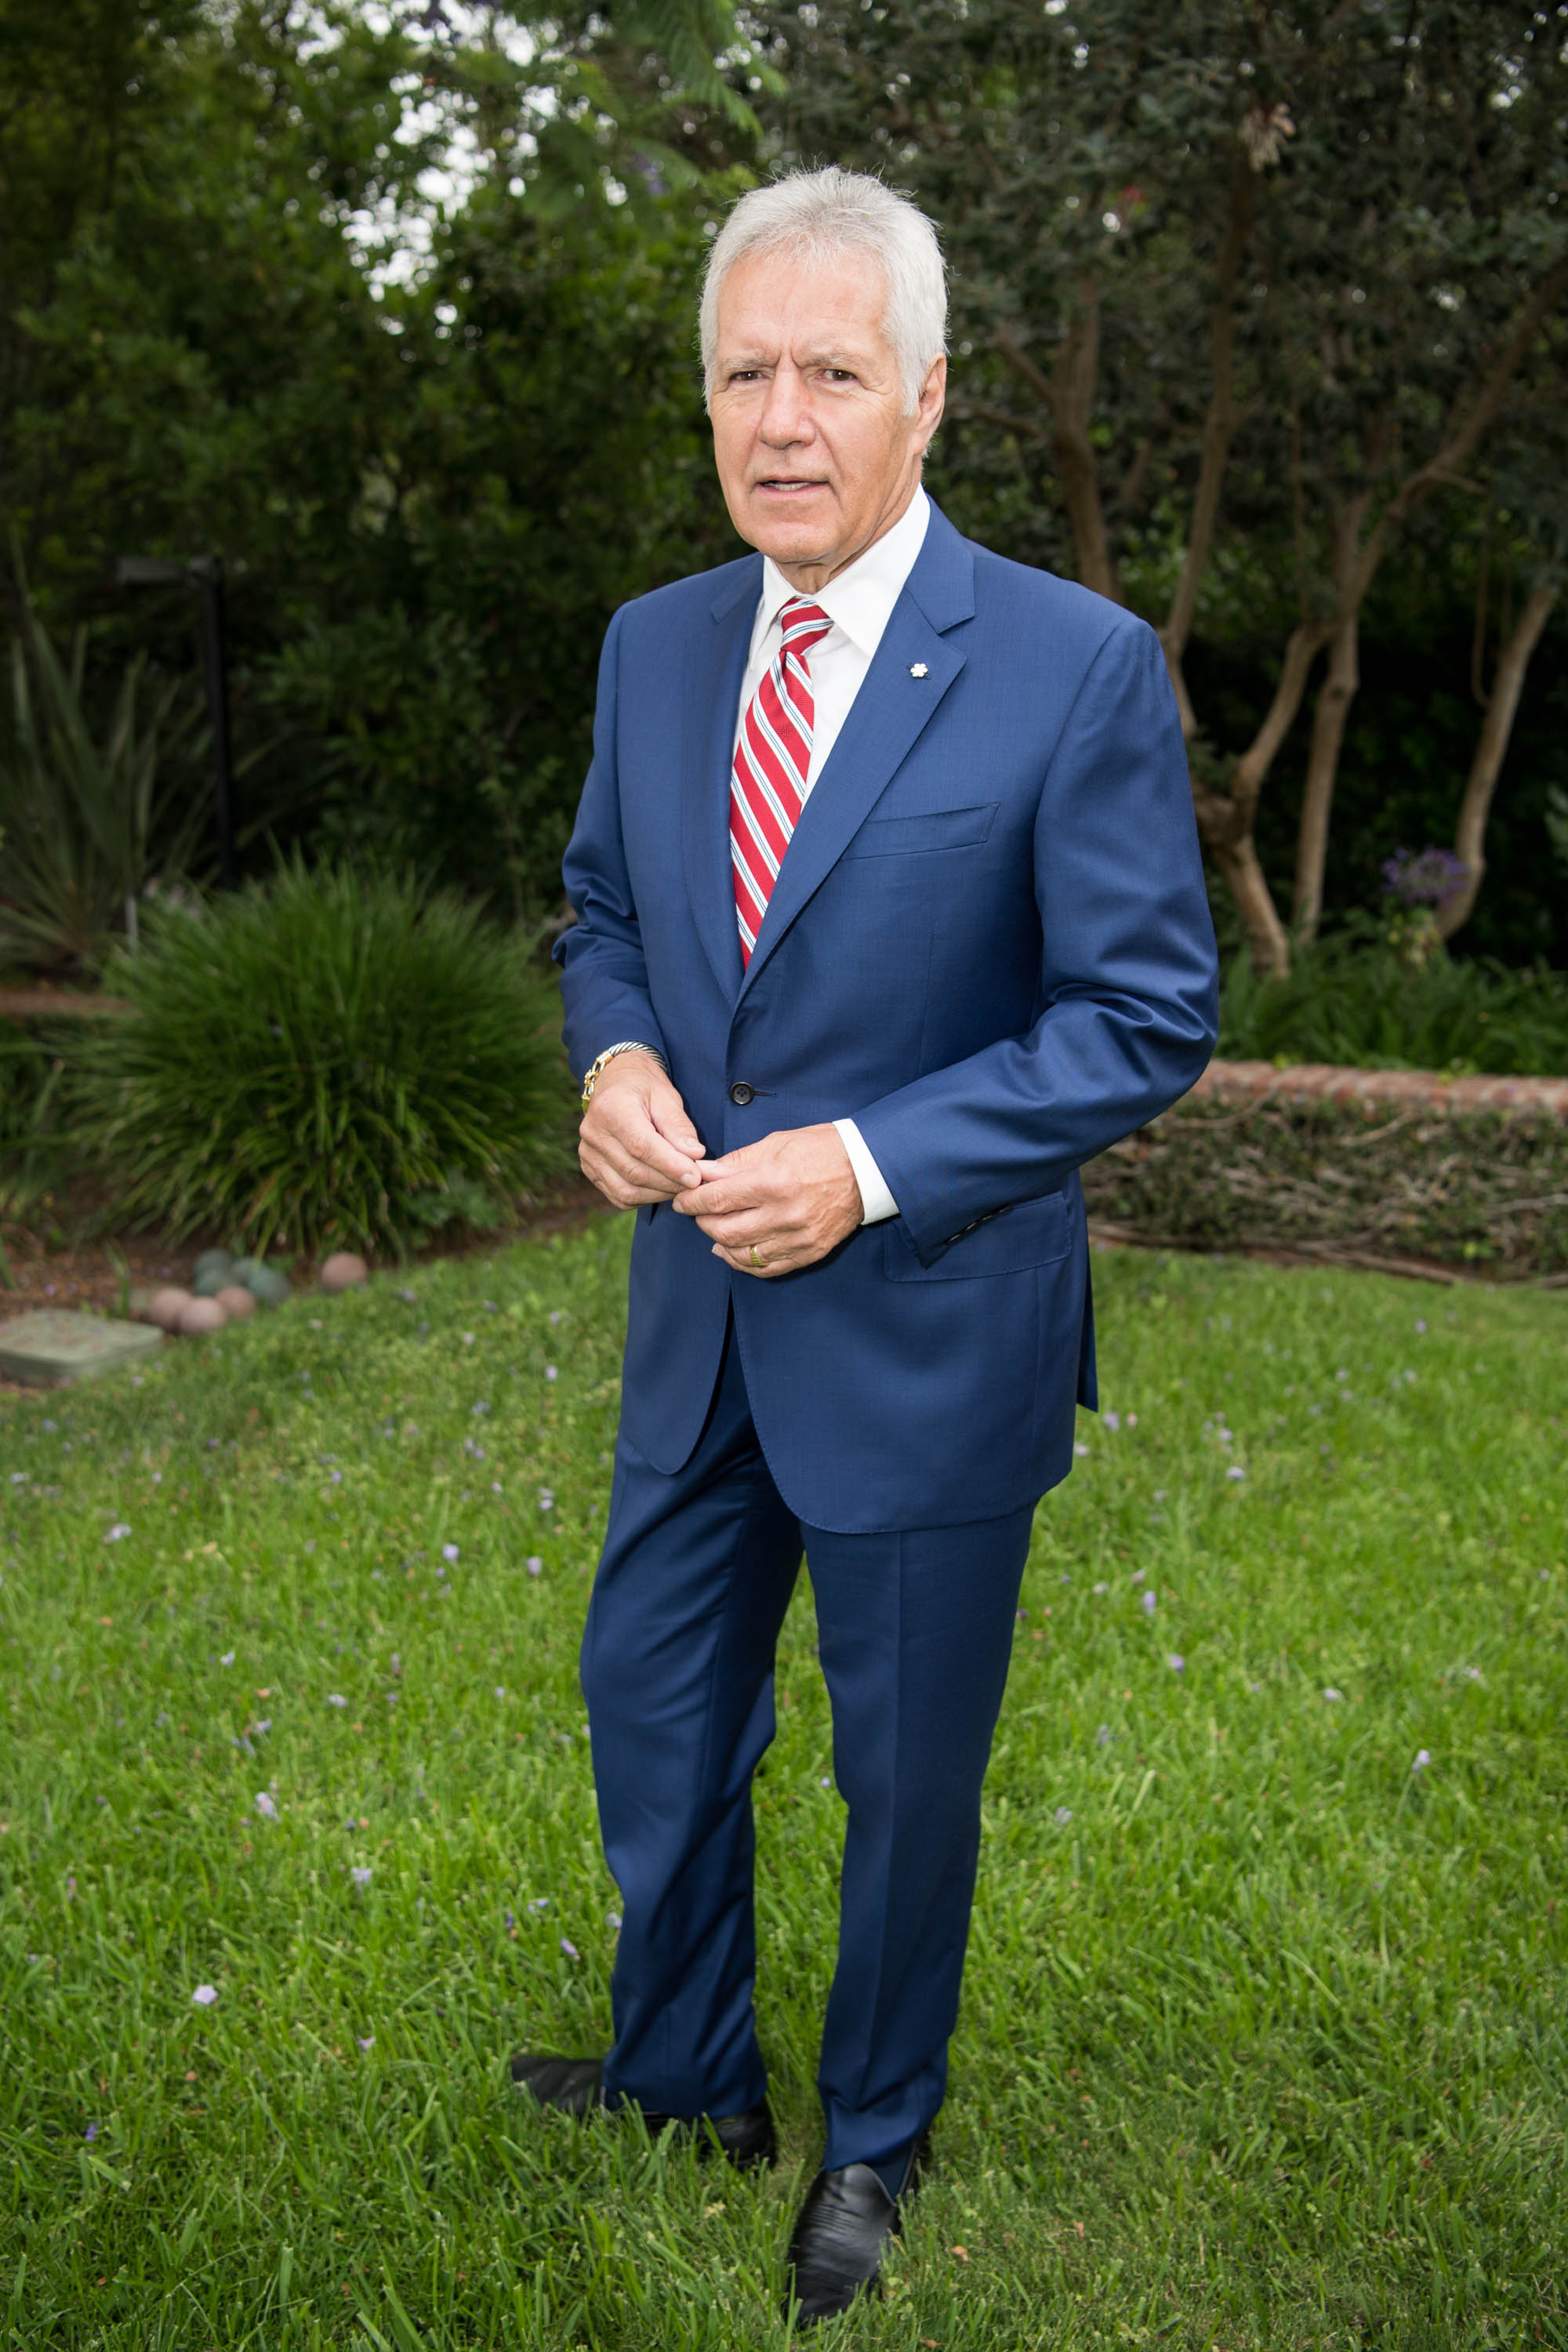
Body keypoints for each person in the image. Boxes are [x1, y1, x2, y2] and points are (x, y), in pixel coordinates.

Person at [514, 166, 1218, 2326]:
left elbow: (1140, 1013)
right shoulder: (656, 646)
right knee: (655, 1709)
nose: (782, 416)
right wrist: (615, 1056)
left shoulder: (1074, 668)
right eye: (745, 372)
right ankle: (688, 2080)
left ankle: (875, 2139)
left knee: (903, 1775)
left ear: (929, 394)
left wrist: (873, 1164)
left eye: (832, 370)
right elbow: (612, 912)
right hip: (694, 1325)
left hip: (926, 1322)